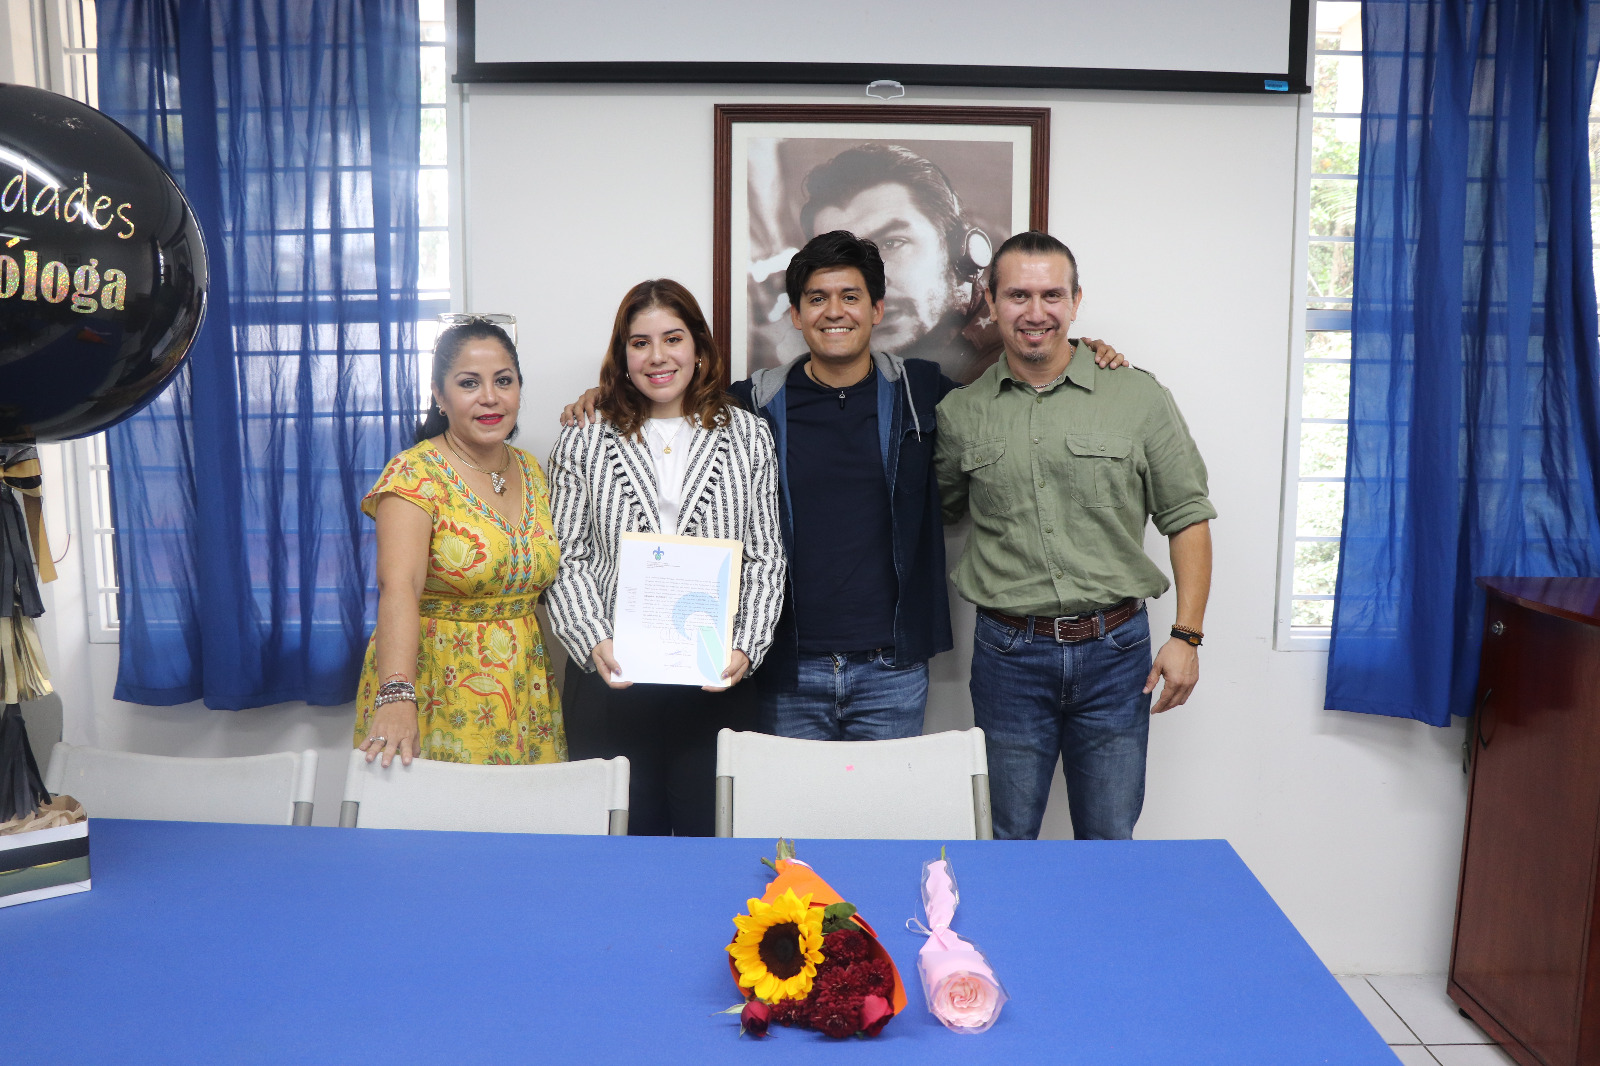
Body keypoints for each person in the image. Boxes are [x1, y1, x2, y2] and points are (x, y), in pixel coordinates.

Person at [562, 233, 1126, 744]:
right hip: (785, 667)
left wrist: (1079, 349)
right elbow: (671, 397)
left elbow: (1010, 390)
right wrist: (605, 397)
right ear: (796, 314)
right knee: (788, 820)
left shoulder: (921, 392)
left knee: (882, 818)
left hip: (892, 669)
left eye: (851, 297)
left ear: (876, 309)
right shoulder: (753, 405)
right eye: (817, 298)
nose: (834, 311)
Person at [935, 230, 1215, 841]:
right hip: (1008, 656)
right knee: (1004, 839)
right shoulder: (961, 414)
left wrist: (1187, 636)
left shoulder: (1138, 396)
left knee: (1110, 839)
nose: (1035, 312)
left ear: (1076, 301)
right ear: (991, 302)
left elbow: (1187, 514)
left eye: (1051, 295)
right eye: (1018, 295)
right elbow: (944, 508)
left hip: (1117, 654)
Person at [544, 280, 785, 836]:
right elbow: (567, 557)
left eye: (672, 339)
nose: (657, 356)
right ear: (622, 354)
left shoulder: (748, 436)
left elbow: (765, 558)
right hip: (612, 683)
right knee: (622, 854)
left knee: (712, 847)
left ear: (698, 347)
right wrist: (593, 641)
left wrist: (746, 646)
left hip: (714, 683)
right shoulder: (583, 438)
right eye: (640, 343)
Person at [354, 320, 565, 769]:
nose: (490, 397)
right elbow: (399, 587)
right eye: (469, 383)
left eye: (503, 381)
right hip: (437, 685)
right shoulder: (415, 474)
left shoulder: (531, 470)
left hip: (525, 688)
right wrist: (397, 694)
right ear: (439, 395)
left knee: (528, 812)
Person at [750, 144, 1000, 384]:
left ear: (961, 250)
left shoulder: (1004, 367)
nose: (869, 284)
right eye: (842, 260)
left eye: (892, 243)